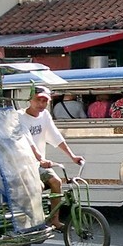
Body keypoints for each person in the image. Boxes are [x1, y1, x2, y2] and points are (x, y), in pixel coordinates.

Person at [19, 86, 85, 227]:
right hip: (23, 164)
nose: (41, 104)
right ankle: (31, 219)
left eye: (45, 101)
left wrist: (72, 156)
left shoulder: (45, 116)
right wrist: (40, 159)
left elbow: (56, 137)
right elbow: (27, 141)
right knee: (39, 187)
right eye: (38, 100)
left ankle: (54, 219)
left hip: (38, 164)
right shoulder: (20, 117)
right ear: (30, 99)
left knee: (56, 182)